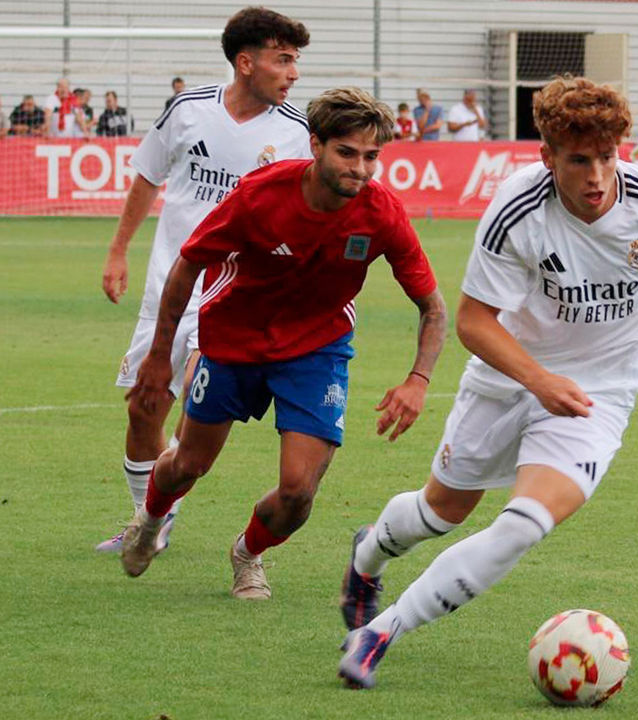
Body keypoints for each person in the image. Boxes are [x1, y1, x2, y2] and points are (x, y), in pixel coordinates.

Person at [336, 75, 638, 689]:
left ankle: (382, 631)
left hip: (600, 395)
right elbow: (471, 320)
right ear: (547, 158)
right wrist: (538, 380)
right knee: (441, 511)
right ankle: (367, 556)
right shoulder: (518, 208)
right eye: (578, 160)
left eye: (607, 157)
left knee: (522, 524)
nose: (597, 176)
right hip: (508, 378)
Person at [118, 86, 448, 603]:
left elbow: (433, 308)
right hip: (232, 340)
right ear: (315, 145)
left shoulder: (381, 212)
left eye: (371, 157)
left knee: (298, 494)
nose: (360, 169)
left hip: (317, 351)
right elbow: (187, 265)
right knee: (188, 465)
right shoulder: (259, 195)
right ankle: (150, 519)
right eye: (347, 152)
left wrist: (418, 379)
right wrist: (160, 357)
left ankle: (248, 554)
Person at [95, 7, 315, 556]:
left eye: (295, 61)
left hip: (235, 296)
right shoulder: (189, 110)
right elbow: (148, 176)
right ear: (246, 63)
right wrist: (118, 250)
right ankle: (153, 518)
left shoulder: (296, 135)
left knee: (196, 418)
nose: (293, 73)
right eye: (283, 59)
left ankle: (159, 513)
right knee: (143, 406)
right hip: (169, 286)